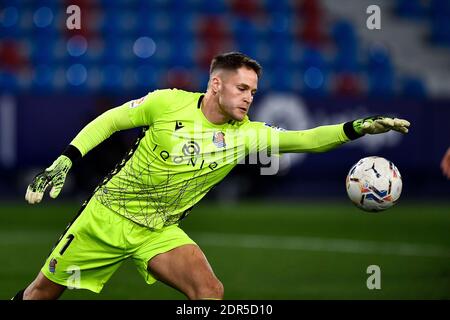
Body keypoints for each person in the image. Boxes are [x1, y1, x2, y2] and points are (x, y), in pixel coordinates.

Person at [14, 52, 410, 300]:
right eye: (241, 88)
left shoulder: (248, 134)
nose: (249, 97)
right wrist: (67, 158)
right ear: (216, 84)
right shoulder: (167, 102)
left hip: (159, 231)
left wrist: (357, 127)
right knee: (41, 295)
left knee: (209, 291)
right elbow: (112, 119)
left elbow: (307, 139)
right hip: (105, 220)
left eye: (253, 91)